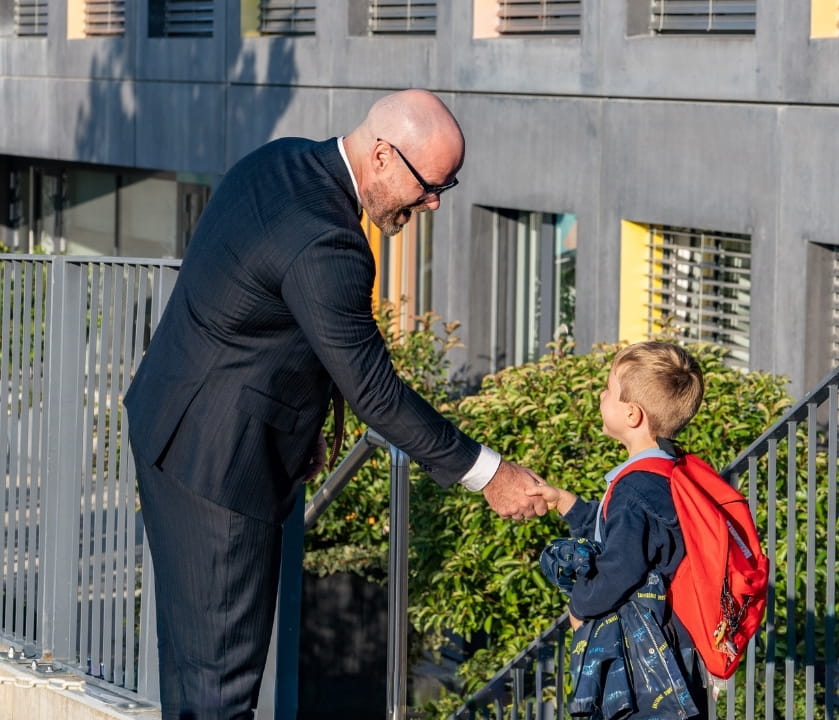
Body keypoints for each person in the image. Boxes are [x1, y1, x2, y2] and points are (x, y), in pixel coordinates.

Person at [123, 89, 547, 720]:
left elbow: (259, 311)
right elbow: (376, 391)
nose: (433, 202)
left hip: (170, 422)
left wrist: (304, 422)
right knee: (220, 690)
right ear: (382, 155)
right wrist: (491, 474)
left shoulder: (280, 160)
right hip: (223, 466)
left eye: (446, 186)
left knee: (190, 670)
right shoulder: (329, 241)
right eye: (430, 185)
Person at [526, 341, 709, 719]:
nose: (601, 395)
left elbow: (621, 567)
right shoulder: (666, 471)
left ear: (632, 414)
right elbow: (626, 535)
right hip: (675, 647)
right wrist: (568, 504)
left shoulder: (634, 488)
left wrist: (580, 605)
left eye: (608, 389)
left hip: (649, 658)